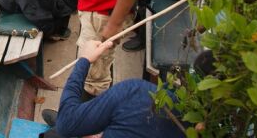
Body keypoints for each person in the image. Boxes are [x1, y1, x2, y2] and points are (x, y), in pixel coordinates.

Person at [40, 40, 186, 138]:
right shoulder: (192, 122)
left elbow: (67, 124)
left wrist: (84, 60)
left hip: (69, 123)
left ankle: (66, 126)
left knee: (59, 130)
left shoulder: (134, 92)